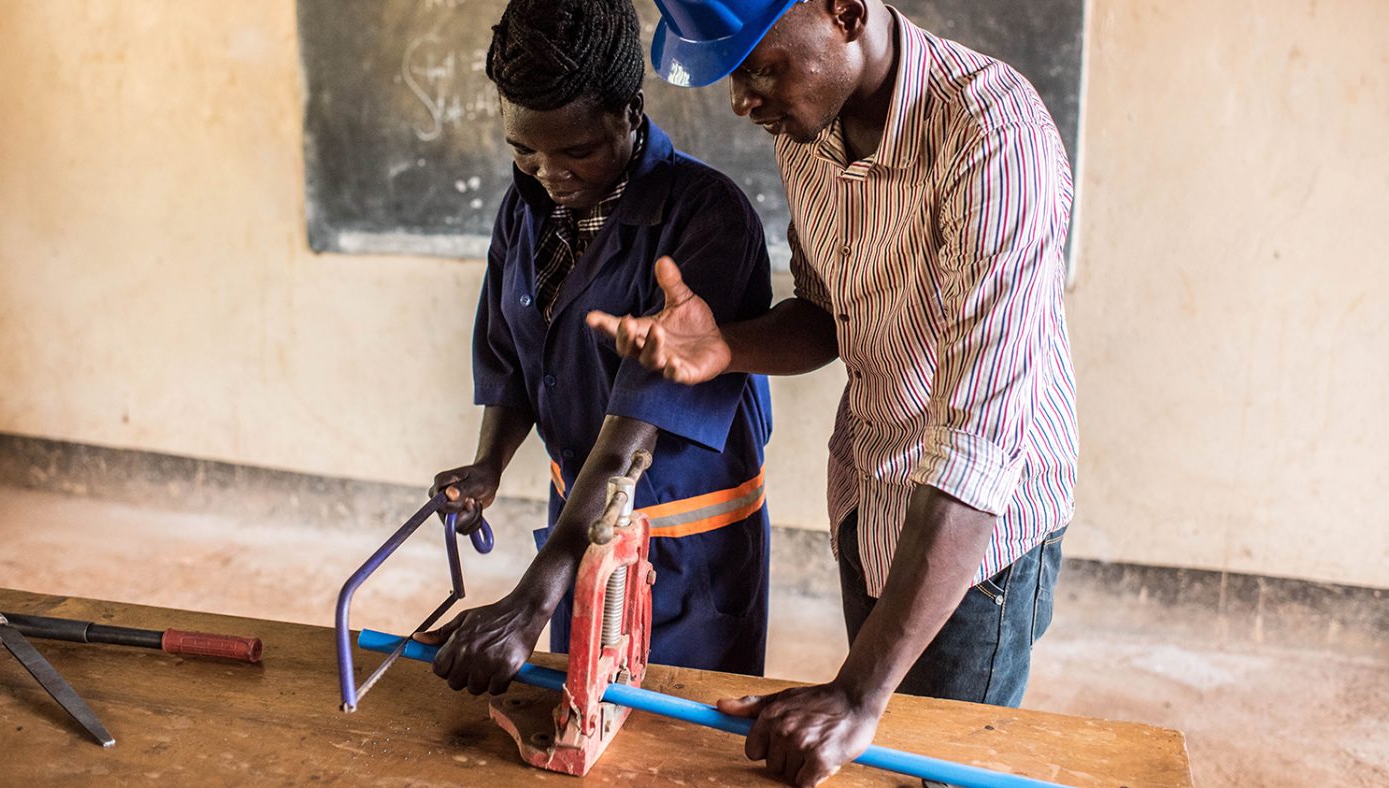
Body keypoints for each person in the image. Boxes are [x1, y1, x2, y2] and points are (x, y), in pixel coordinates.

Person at [587, 0, 1078, 784]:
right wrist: (728, 348)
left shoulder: (994, 142)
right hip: (870, 492)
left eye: (759, 66)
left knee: (937, 765)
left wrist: (856, 691)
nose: (742, 101)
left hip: (977, 542)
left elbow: (977, 452)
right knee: (878, 743)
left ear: (844, 11)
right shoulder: (809, 129)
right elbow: (826, 314)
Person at [413, 0, 775, 688]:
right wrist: (489, 463)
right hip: (575, 525)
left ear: (630, 112)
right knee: (579, 707)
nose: (550, 173)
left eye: (577, 150)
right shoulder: (525, 208)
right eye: (524, 148)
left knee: (673, 730)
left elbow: (634, 435)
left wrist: (529, 598)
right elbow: (514, 361)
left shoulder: (707, 217)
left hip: (685, 547)